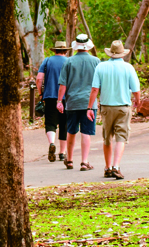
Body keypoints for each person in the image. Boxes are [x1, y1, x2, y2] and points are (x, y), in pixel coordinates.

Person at [87, 40, 141, 180]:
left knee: (107, 137)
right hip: (123, 107)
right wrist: (138, 102)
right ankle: (116, 166)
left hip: (106, 107)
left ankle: (108, 167)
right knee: (121, 137)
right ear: (122, 54)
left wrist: (89, 107)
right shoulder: (128, 68)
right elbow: (136, 90)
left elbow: (94, 89)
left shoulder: (101, 67)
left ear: (110, 53)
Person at [56, 36, 101, 171]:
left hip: (72, 102)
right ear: (88, 46)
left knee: (71, 131)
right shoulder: (96, 61)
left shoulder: (69, 62)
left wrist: (59, 101)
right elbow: (99, 85)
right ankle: (84, 161)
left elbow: (63, 84)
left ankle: (69, 160)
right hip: (89, 103)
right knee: (86, 132)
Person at [36, 42, 69, 163]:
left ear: (54, 50)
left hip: (50, 96)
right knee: (64, 123)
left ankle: (51, 143)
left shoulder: (47, 60)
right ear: (65, 51)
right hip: (66, 97)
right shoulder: (68, 61)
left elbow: (39, 79)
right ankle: (62, 152)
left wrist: (41, 94)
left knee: (50, 122)